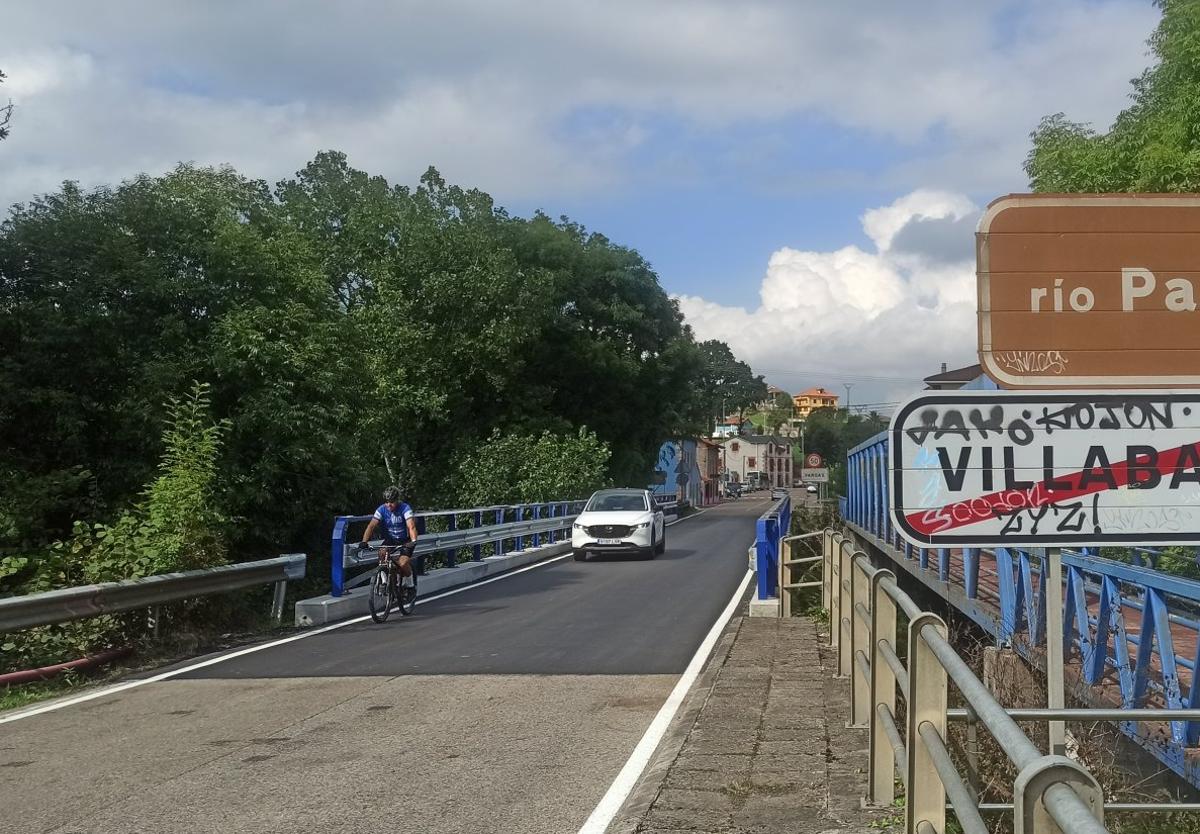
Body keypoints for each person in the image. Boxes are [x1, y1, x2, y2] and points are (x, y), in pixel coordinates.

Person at [358, 486, 419, 588]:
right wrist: (364, 541)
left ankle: (409, 581)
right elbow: (371, 526)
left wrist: (413, 541)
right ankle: (385, 581)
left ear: (397, 501)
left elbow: (411, 526)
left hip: (405, 540)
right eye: (386, 502)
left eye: (392, 502)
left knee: (403, 563)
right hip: (391, 539)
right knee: (382, 553)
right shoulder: (381, 510)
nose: (389, 505)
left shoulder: (405, 508)